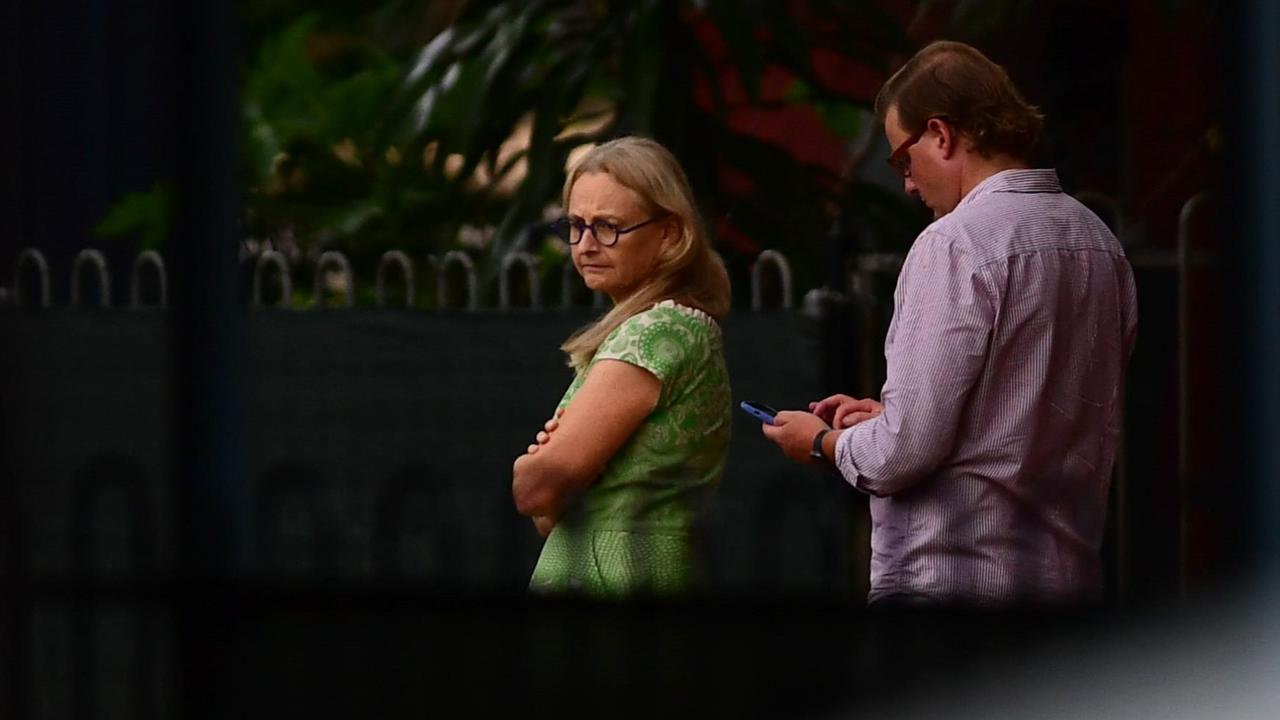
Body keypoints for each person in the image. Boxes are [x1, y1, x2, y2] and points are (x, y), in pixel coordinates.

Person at [762, 40, 1138, 606]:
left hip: (947, 586)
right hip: (1068, 581)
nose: (907, 185)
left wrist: (821, 442)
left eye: (902, 160)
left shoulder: (953, 243)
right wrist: (888, 416)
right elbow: (1032, 414)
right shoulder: (1098, 242)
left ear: (941, 134)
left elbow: (903, 454)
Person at [511, 137, 732, 597]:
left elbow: (535, 492)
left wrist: (531, 465)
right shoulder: (676, 327)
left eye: (608, 227)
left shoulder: (654, 331)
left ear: (670, 232)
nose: (586, 245)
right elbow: (547, 513)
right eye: (575, 226)